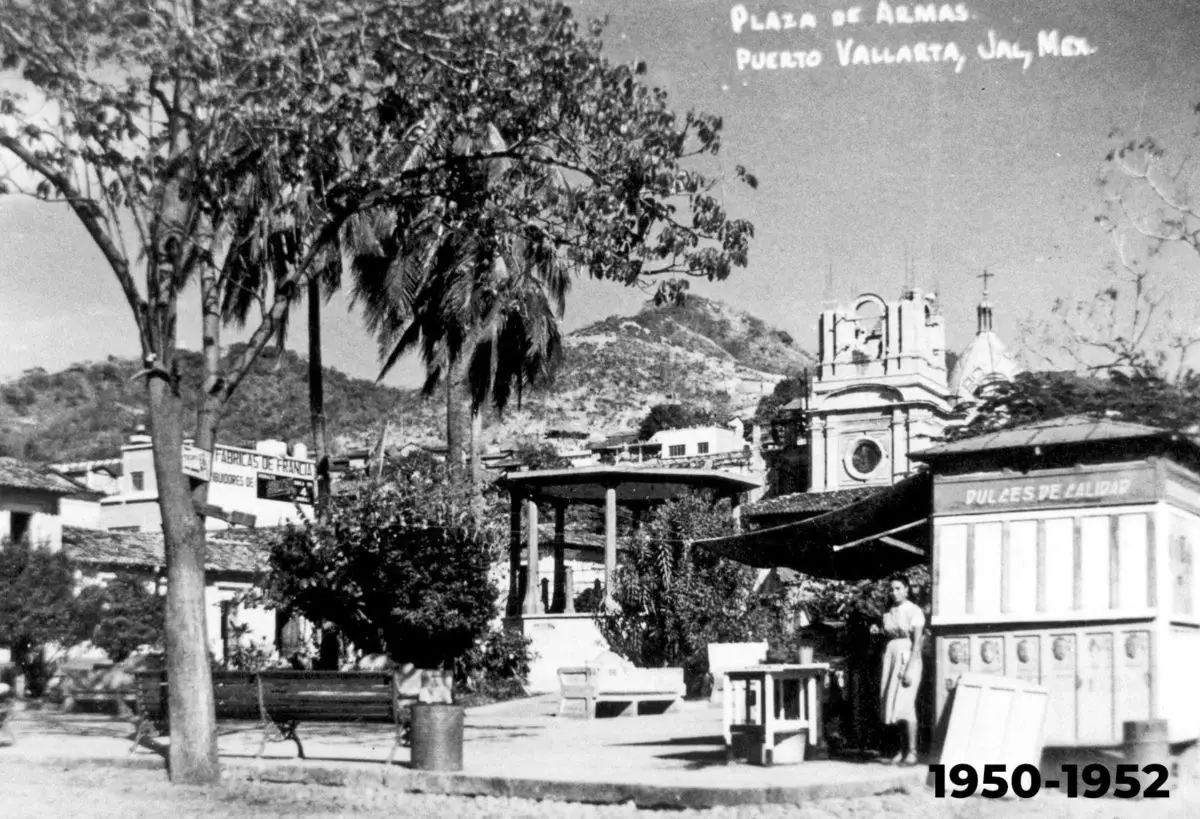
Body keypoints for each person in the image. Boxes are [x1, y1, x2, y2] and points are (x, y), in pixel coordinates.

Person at [872, 574, 925, 765]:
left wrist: (910, 668)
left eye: (898, 588)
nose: (894, 593)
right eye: (891, 589)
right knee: (893, 704)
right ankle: (900, 751)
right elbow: (886, 633)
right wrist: (877, 631)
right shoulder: (888, 612)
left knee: (906, 703)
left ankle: (912, 751)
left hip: (908, 658)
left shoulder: (914, 611)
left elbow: (917, 643)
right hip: (891, 657)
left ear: (906, 589)